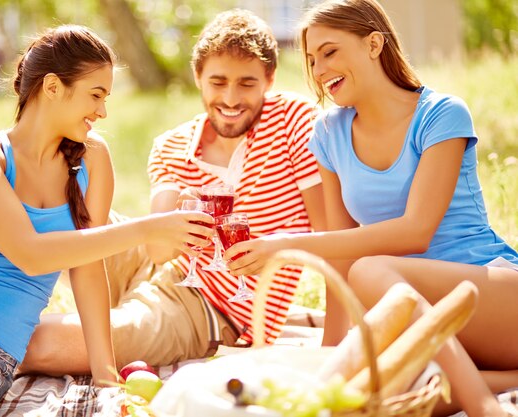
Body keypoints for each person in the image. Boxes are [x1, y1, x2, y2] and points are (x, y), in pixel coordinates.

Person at [0, 25, 213, 417]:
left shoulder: (93, 159)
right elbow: (31, 254)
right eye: (96, 95)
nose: (103, 111)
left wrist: (107, 378)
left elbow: (87, 268)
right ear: (52, 87)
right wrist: (147, 228)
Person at [221, 0, 518, 415]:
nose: (321, 70)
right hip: (413, 315)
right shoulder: (327, 132)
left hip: (491, 296)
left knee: (371, 269)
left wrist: (284, 244)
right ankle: (499, 383)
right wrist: (329, 349)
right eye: (311, 59)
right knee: (359, 395)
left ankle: (486, 406)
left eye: (330, 51)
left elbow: (416, 232)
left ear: (375, 44)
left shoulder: (441, 115)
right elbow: (341, 250)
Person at [19, 8, 333, 377]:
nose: (231, 99)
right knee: (45, 212)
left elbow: (329, 231)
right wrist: (180, 216)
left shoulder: (294, 121)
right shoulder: (173, 144)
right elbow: (158, 250)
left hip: (208, 305)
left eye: (246, 84)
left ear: (270, 79)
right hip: (155, 262)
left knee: (41, 344)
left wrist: (277, 249)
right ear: (198, 77)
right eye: (218, 82)